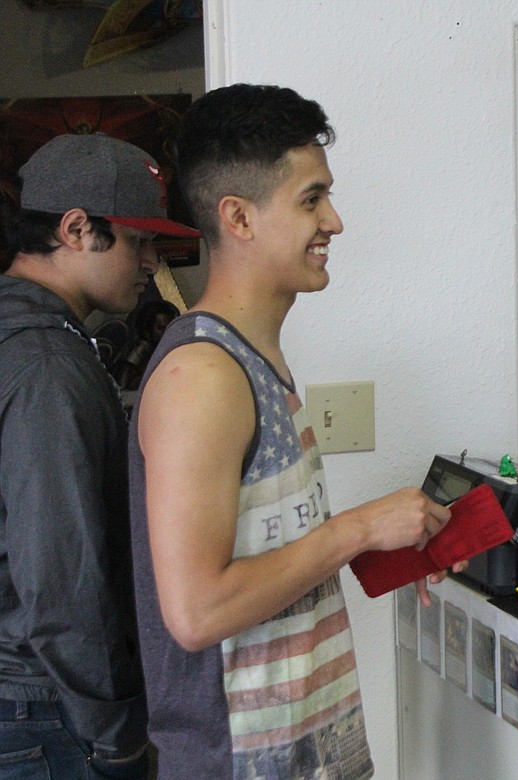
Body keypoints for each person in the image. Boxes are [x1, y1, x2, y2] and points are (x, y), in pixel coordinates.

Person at [128, 84, 457, 779]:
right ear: (239, 218)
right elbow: (196, 610)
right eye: (311, 199)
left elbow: (271, 557)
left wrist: (392, 544)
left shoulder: (255, 360)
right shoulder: (204, 377)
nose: (333, 221)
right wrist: (359, 529)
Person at [0, 132, 200, 777]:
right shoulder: (46, 366)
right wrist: (115, 736)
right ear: (77, 228)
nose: (151, 262)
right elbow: (62, 574)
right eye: (139, 241)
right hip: (43, 704)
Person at [111, 298, 180, 392]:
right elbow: (120, 388)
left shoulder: (163, 350)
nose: (168, 332)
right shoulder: (139, 350)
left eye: (171, 327)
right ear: (147, 329)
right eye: (161, 328)